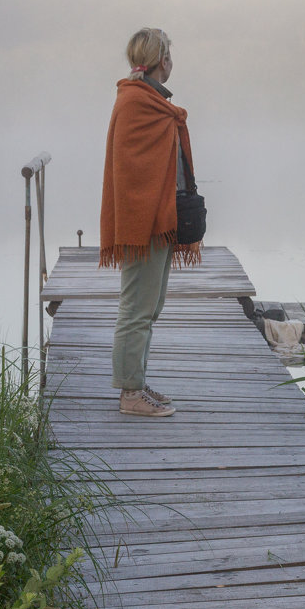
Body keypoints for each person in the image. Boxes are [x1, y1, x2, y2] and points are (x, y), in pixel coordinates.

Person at [99, 27, 201, 417]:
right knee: (136, 309)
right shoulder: (135, 103)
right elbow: (130, 172)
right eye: (170, 57)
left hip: (159, 219)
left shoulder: (151, 102)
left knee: (150, 307)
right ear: (163, 62)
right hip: (141, 223)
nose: (172, 63)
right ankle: (129, 395)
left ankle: (136, 382)